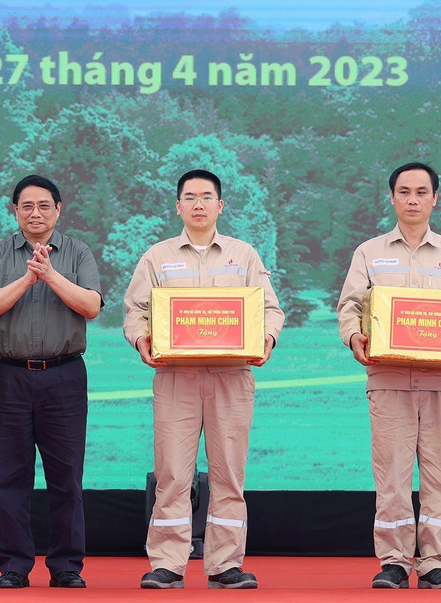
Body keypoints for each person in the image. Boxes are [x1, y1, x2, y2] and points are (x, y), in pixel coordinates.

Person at [336, 161, 441, 590]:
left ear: (435, 199)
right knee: (391, 476)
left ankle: (434, 562)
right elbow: (349, 306)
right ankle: (393, 561)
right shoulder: (369, 253)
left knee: (439, 476)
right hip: (387, 379)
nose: (412, 199)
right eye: (404, 191)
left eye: (421, 192)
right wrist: (353, 337)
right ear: (392, 198)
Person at [123, 169, 284, 590]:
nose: (198, 204)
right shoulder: (157, 257)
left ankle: (225, 564)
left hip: (231, 377)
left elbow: (270, 310)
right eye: (190, 197)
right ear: (178, 206)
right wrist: (141, 339)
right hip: (176, 378)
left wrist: (266, 339)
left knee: (228, 474)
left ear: (220, 205)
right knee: (173, 474)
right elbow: (136, 311)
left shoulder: (243, 255)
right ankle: (167, 564)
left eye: (207, 197)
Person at [0, 175, 103, 589]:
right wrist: (27, 279)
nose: (35, 213)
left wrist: (49, 275)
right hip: (11, 376)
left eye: (44, 205)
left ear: (58, 209)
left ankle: (66, 565)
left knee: (66, 476)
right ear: (15, 211)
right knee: (10, 475)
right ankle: (14, 565)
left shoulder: (78, 252)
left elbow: (92, 305)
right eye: (26, 206)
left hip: (65, 375)